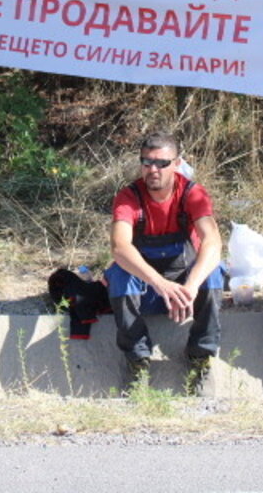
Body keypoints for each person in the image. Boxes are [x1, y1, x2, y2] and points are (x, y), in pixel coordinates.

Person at [104, 131, 225, 394]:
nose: (153, 170)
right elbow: (119, 246)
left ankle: (199, 360)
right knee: (118, 275)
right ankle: (137, 363)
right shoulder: (129, 197)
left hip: (184, 296)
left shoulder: (193, 194)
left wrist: (190, 287)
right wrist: (159, 283)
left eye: (162, 163)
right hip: (148, 291)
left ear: (178, 164)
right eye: (147, 162)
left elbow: (213, 243)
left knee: (214, 273)